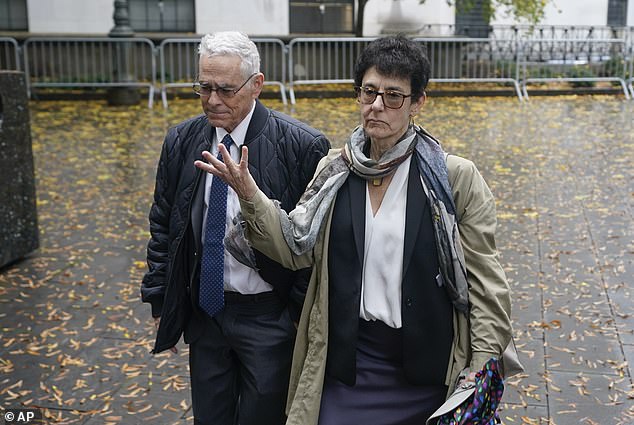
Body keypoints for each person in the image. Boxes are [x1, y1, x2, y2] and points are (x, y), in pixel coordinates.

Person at [196, 35, 513, 425]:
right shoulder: (336, 171)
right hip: (351, 362)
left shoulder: (454, 179)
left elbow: (485, 285)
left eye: (394, 96)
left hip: (429, 371)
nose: (378, 105)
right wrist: (249, 194)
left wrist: (479, 368)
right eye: (369, 92)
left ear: (418, 103)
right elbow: (294, 248)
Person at [141, 31, 330, 425]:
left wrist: (295, 314)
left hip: (269, 317)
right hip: (206, 313)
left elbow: (313, 239)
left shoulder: (302, 145)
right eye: (204, 87)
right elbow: (165, 224)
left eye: (226, 89)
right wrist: (162, 298)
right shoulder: (182, 140)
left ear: (256, 85)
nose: (212, 100)